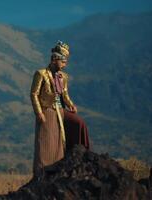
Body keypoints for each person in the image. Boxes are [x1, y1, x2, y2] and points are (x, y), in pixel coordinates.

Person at [30, 41, 90, 178]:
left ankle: (82, 158)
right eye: (63, 61)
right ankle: (43, 171)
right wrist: (39, 112)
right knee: (48, 141)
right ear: (54, 59)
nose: (65, 64)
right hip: (47, 110)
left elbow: (65, 94)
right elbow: (34, 94)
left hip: (60, 109)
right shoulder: (41, 74)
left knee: (79, 123)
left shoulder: (63, 77)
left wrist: (71, 105)